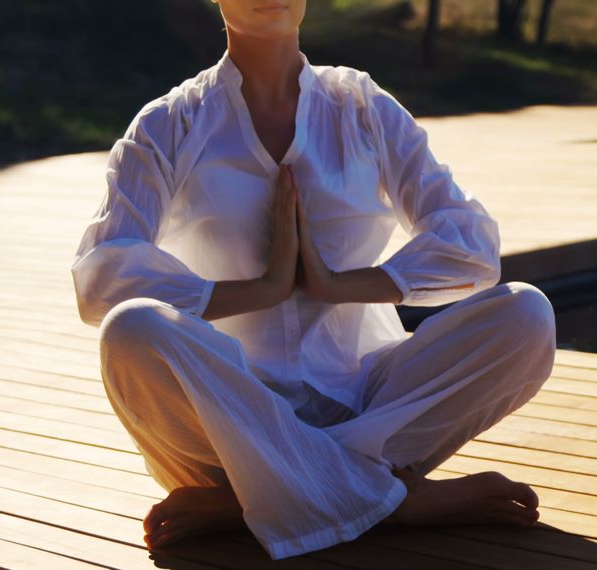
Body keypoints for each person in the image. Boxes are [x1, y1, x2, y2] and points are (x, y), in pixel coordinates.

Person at [70, 0, 556, 560]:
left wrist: (337, 283)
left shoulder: (362, 108)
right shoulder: (169, 124)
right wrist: (263, 289)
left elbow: (469, 244)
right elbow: (102, 276)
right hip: (228, 424)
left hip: (367, 403)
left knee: (527, 314)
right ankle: (398, 501)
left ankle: (254, 502)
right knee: (130, 329)